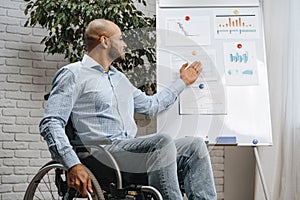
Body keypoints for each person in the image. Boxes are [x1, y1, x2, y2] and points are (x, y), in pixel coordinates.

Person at [40, 18, 217, 200]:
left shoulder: (119, 79)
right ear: (104, 41)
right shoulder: (73, 74)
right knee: (161, 142)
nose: (125, 44)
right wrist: (72, 164)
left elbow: (151, 106)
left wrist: (183, 81)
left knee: (195, 146)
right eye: (121, 39)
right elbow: (50, 123)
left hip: (127, 150)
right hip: (101, 153)